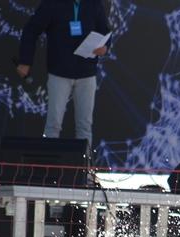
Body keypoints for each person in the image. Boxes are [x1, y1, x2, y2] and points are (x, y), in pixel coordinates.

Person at [17, 0, 111, 149]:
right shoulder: (53, 4)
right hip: (59, 72)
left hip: (86, 73)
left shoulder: (94, 4)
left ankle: (84, 170)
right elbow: (31, 29)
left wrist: (105, 47)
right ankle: (50, 168)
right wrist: (25, 60)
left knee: (85, 127)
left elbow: (105, 32)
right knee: (53, 125)